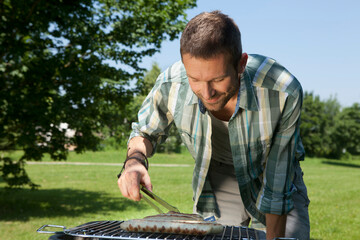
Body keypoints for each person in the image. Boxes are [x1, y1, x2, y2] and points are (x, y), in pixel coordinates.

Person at [117, 11, 310, 240]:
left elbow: (277, 186)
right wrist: (134, 162)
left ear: (241, 64)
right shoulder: (173, 83)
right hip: (219, 175)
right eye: (195, 79)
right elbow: (144, 132)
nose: (206, 93)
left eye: (218, 80)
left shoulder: (282, 92)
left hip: (271, 168)